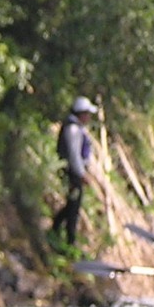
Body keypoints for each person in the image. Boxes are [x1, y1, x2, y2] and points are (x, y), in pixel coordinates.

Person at [51, 96, 99, 247]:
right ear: (81, 113)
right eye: (87, 114)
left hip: (75, 172)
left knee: (73, 205)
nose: (89, 117)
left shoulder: (78, 128)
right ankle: (68, 240)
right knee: (73, 206)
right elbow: (74, 154)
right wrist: (82, 174)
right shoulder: (73, 129)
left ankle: (57, 231)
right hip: (72, 173)